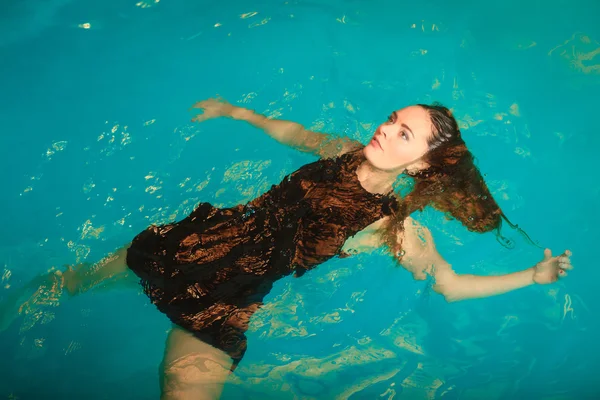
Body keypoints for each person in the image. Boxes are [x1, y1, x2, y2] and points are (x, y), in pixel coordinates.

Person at [1, 98, 573, 400]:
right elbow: (293, 132)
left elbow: (448, 286)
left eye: (404, 134)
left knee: (183, 389)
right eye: (392, 119)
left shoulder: (393, 227)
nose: (385, 130)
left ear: (421, 164)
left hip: (228, 298)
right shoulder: (344, 151)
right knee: (62, 283)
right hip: (189, 244)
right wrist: (238, 113)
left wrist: (533, 277)